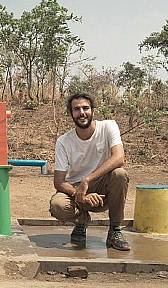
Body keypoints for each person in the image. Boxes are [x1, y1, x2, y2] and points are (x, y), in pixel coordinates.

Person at [49, 92, 130, 251]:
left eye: (85, 108)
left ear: (93, 110)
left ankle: (115, 230)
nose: (82, 113)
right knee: (57, 205)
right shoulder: (64, 141)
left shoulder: (108, 127)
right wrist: (79, 194)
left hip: (102, 189)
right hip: (77, 189)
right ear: (71, 113)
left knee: (120, 174)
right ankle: (81, 220)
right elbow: (59, 181)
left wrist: (87, 180)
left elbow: (119, 157)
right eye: (76, 109)